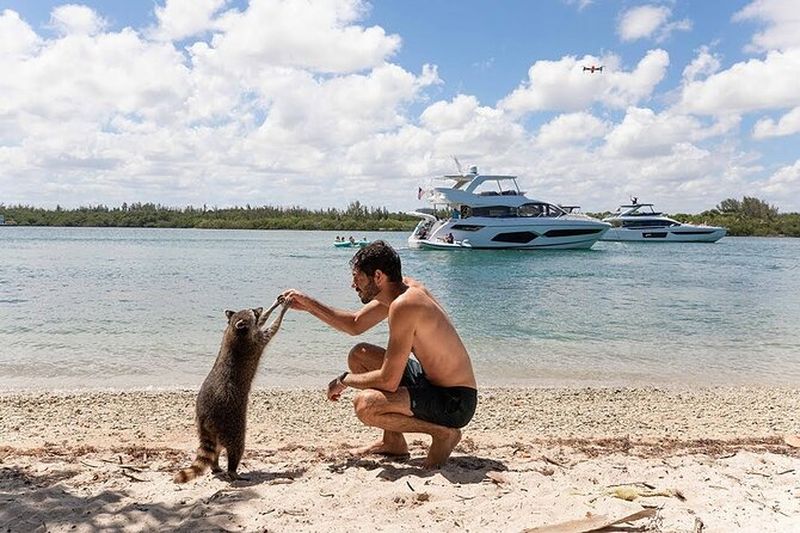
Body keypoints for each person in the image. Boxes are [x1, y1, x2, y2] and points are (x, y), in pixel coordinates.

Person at [282, 241, 477, 468]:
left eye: (358, 277)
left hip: (454, 401)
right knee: (360, 355)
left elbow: (388, 380)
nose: (353, 284)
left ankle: (443, 433)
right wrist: (309, 305)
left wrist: (343, 380)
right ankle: (393, 443)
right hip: (429, 381)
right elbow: (355, 324)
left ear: (378, 276)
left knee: (366, 405)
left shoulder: (405, 305)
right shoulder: (400, 290)